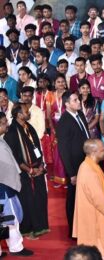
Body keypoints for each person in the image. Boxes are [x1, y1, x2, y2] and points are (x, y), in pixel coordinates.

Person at [4, 103, 48, 238]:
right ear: (18, 115)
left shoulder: (29, 127)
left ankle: (41, 227)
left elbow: (38, 148)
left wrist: (40, 166)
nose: (29, 113)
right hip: (23, 173)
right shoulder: (11, 132)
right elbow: (15, 157)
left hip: (37, 169)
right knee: (28, 200)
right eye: (26, 111)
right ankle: (28, 230)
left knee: (40, 197)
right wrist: (30, 170)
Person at [73, 139, 104, 260]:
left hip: (94, 215)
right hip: (95, 218)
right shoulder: (88, 170)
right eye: (103, 150)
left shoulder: (90, 165)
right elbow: (98, 199)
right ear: (93, 152)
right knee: (98, 251)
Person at [56, 91, 90, 237]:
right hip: (75, 166)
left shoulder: (80, 115)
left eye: (78, 99)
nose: (78, 102)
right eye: (75, 100)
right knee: (73, 198)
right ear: (67, 104)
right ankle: (73, 230)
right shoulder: (63, 121)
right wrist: (72, 173)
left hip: (87, 161)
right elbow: (63, 149)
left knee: (87, 196)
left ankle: (86, 225)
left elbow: (86, 135)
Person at [0, 112, 34, 257]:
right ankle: (16, 247)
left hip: (5, 185)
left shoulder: (1, 140)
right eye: (3, 122)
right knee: (11, 217)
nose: (7, 124)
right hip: (4, 187)